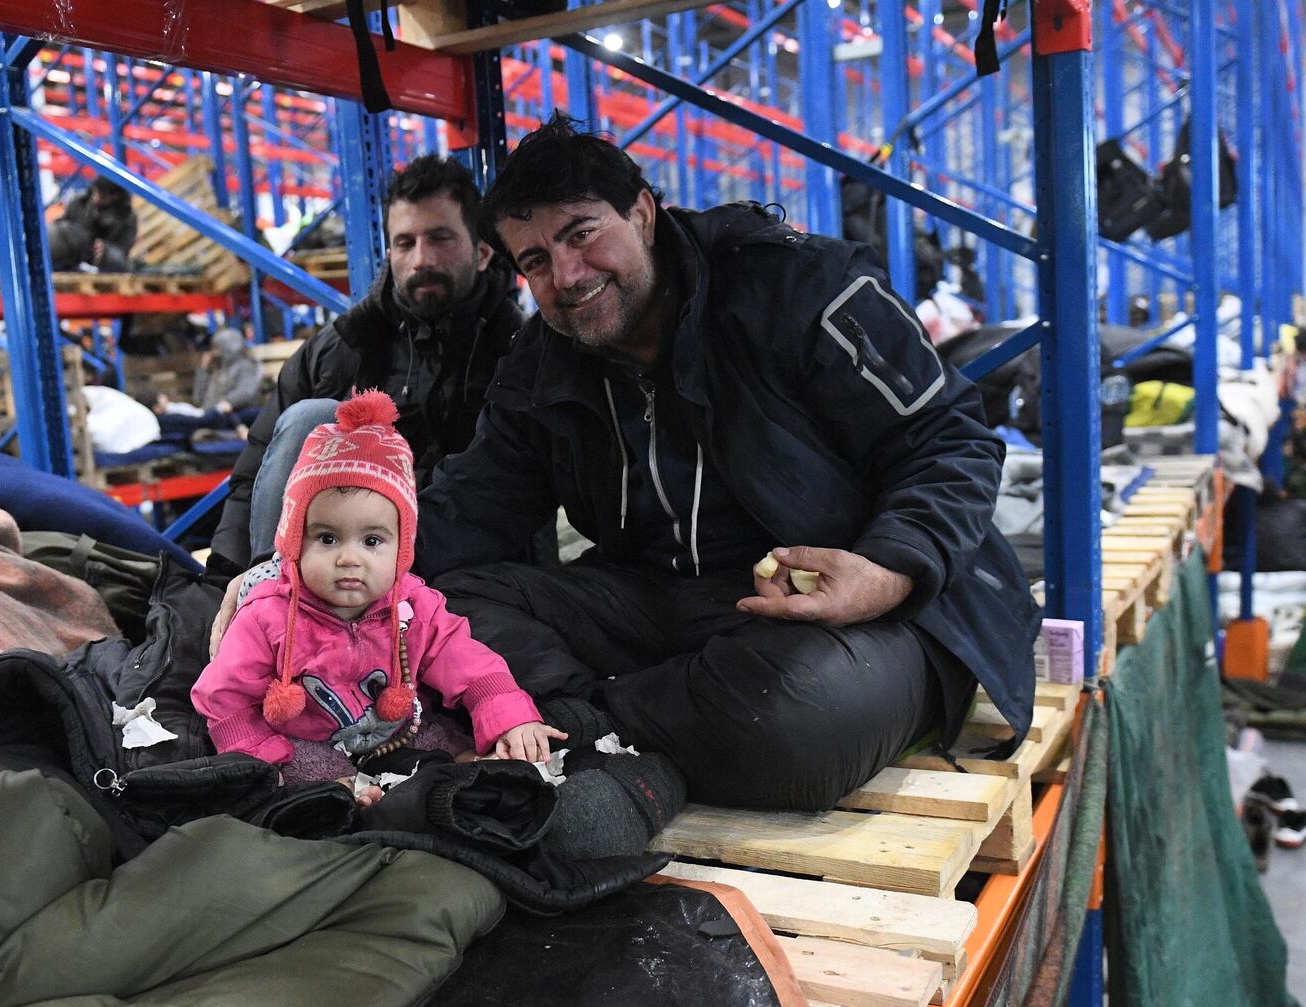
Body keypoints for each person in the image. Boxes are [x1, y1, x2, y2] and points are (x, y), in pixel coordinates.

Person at [396, 116, 1037, 837]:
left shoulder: (802, 287)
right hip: (663, 606)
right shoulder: (543, 358)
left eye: (581, 234)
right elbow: (473, 505)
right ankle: (616, 725)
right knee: (431, 608)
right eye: (536, 261)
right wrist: (298, 580)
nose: (568, 276)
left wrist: (886, 570)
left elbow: (950, 441)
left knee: (797, 715)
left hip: (843, 616)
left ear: (643, 211)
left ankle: (580, 725)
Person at [192, 393, 559, 805]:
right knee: (306, 771)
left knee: (453, 750)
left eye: (372, 541)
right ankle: (340, 798)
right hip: (309, 739)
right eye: (327, 538)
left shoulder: (416, 606)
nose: (350, 558)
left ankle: (452, 785)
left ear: (402, 549)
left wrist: (511, 718)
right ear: (294, 541)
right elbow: (223, 696)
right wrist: (259, 761)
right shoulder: (267, 616)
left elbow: (471, 666)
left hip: (398, 728)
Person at [205, 155, 525, 584]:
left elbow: (501, 492)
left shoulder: (515, 351)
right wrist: (225, 577)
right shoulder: (341, 346)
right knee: (309, 417)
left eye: (440, 238)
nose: (421, 259)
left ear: (482, 252)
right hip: (333, 570)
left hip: (465, 570)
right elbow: (254, 472)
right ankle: (270, 601)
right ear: (389, 252)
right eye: (406, 243)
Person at [50, 177, 138, 272]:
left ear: (115, 196)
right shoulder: (80, 202)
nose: (96, 198)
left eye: (102, 195)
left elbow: (122, 254)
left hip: (101, 266)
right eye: (95, 192)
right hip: (69, 258)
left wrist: (106, 252)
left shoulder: (127, 218)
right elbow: (61, 225)